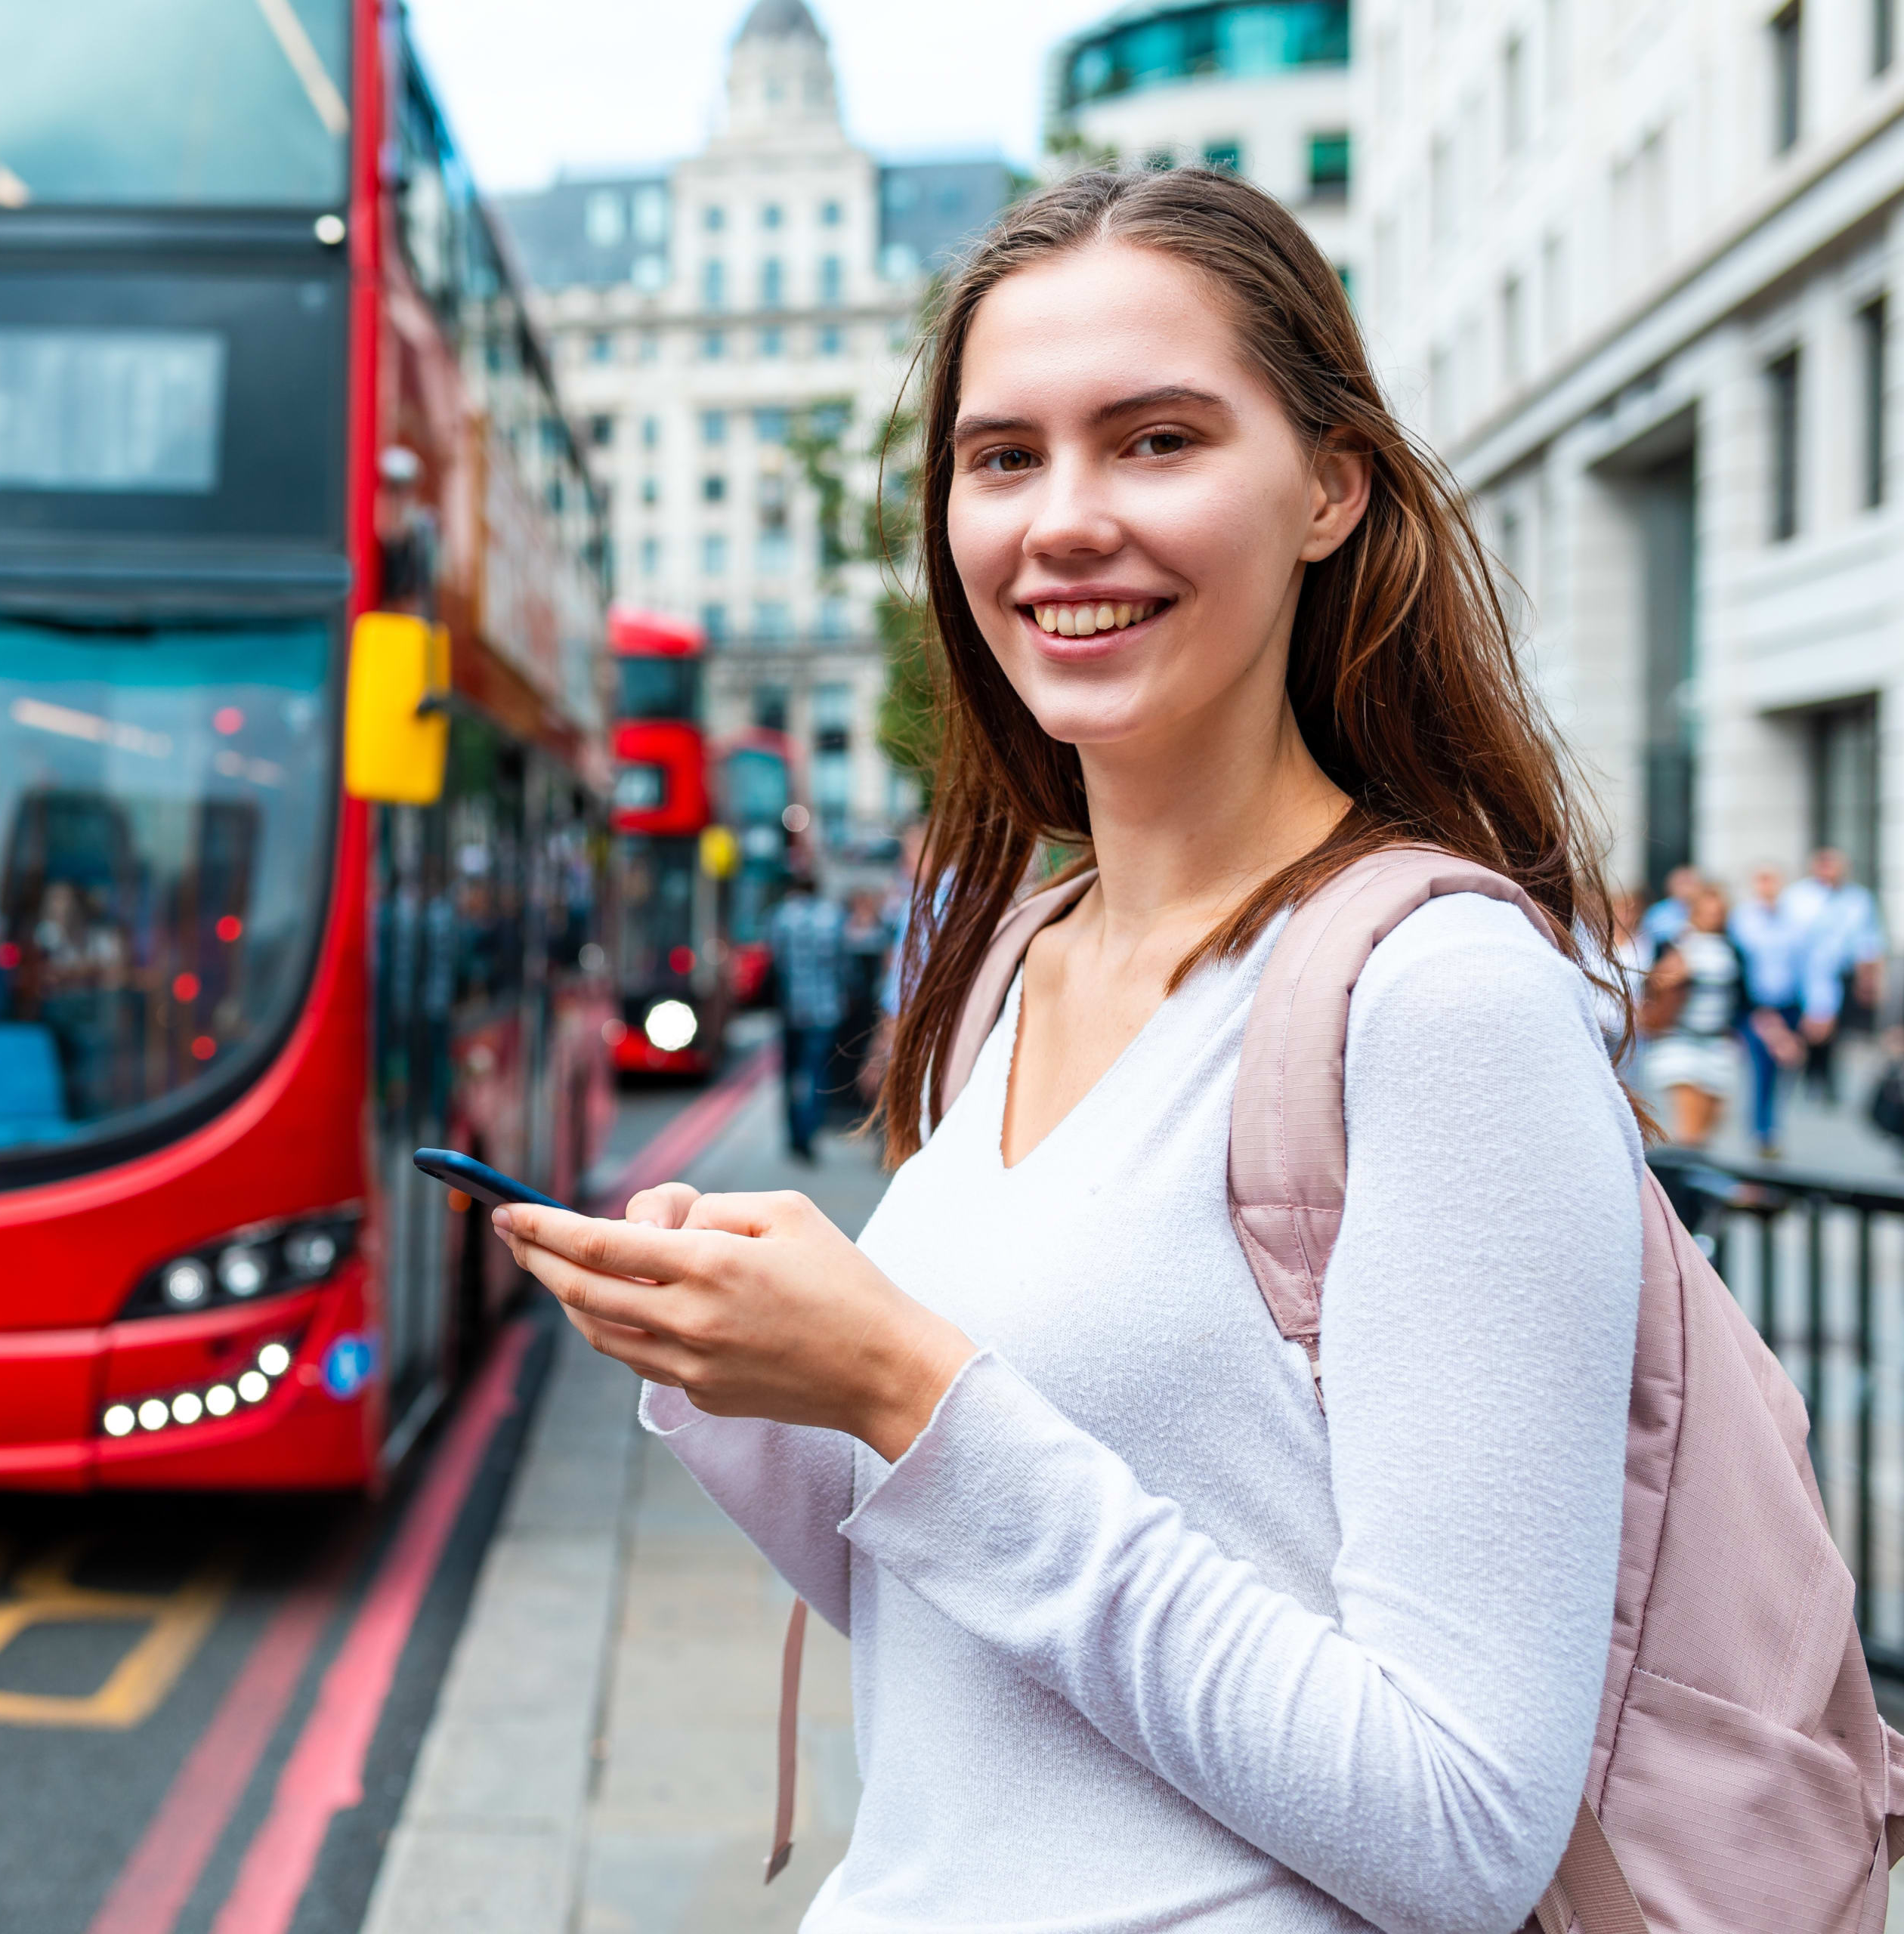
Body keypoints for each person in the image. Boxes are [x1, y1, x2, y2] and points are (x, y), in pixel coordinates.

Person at [490, 167, 1644, 1929]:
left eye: (1155, 439)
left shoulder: (1439, 996)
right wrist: (745, 1369)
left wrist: (898, 1381)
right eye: (1001, 455)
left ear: (1329, 486)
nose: (1062, 521)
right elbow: (962, 1622)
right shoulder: (1015, 955)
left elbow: (1461, 1824)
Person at [1641, 879, 1745, 1149]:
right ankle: (1683, 1187)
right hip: (1681, 1040)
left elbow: (1743, 996)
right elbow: (1653, 985)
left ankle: (1693, 1182)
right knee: (1690, 1131)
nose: (1713, 918)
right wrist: (1673, 975)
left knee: (1710, 1128)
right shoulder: (1676, 944)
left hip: (1718, 1042)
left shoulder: (1732, 948)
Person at [1782, 847, 1885, 1099]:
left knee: (1834, 1030)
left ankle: (1826, 1079)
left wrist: (1870, 977)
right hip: (1803, 973)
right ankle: (1805, 1075)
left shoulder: (1858, 898)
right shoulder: (1797, 896)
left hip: (1841, 972)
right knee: (1805, 1027)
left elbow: (1869, 940)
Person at [1726, 863, 1810, 1160]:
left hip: (1788, 1004)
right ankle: (1763, 1131)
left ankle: (1772, 1125)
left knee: (1784, 1068)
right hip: (1756, 1006)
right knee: (1761, 1067)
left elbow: (1807, 966)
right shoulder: (1743, 919)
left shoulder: (1794, 921)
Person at [765, 864, 846, 1163]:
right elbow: (843, 965)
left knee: (790, 1075)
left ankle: (793, 1135)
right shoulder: (832, 917)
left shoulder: (781, 917)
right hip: (825, 1010)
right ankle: (810, 1132)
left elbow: (775, 962)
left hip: (791, 1010)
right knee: (817, 1074)